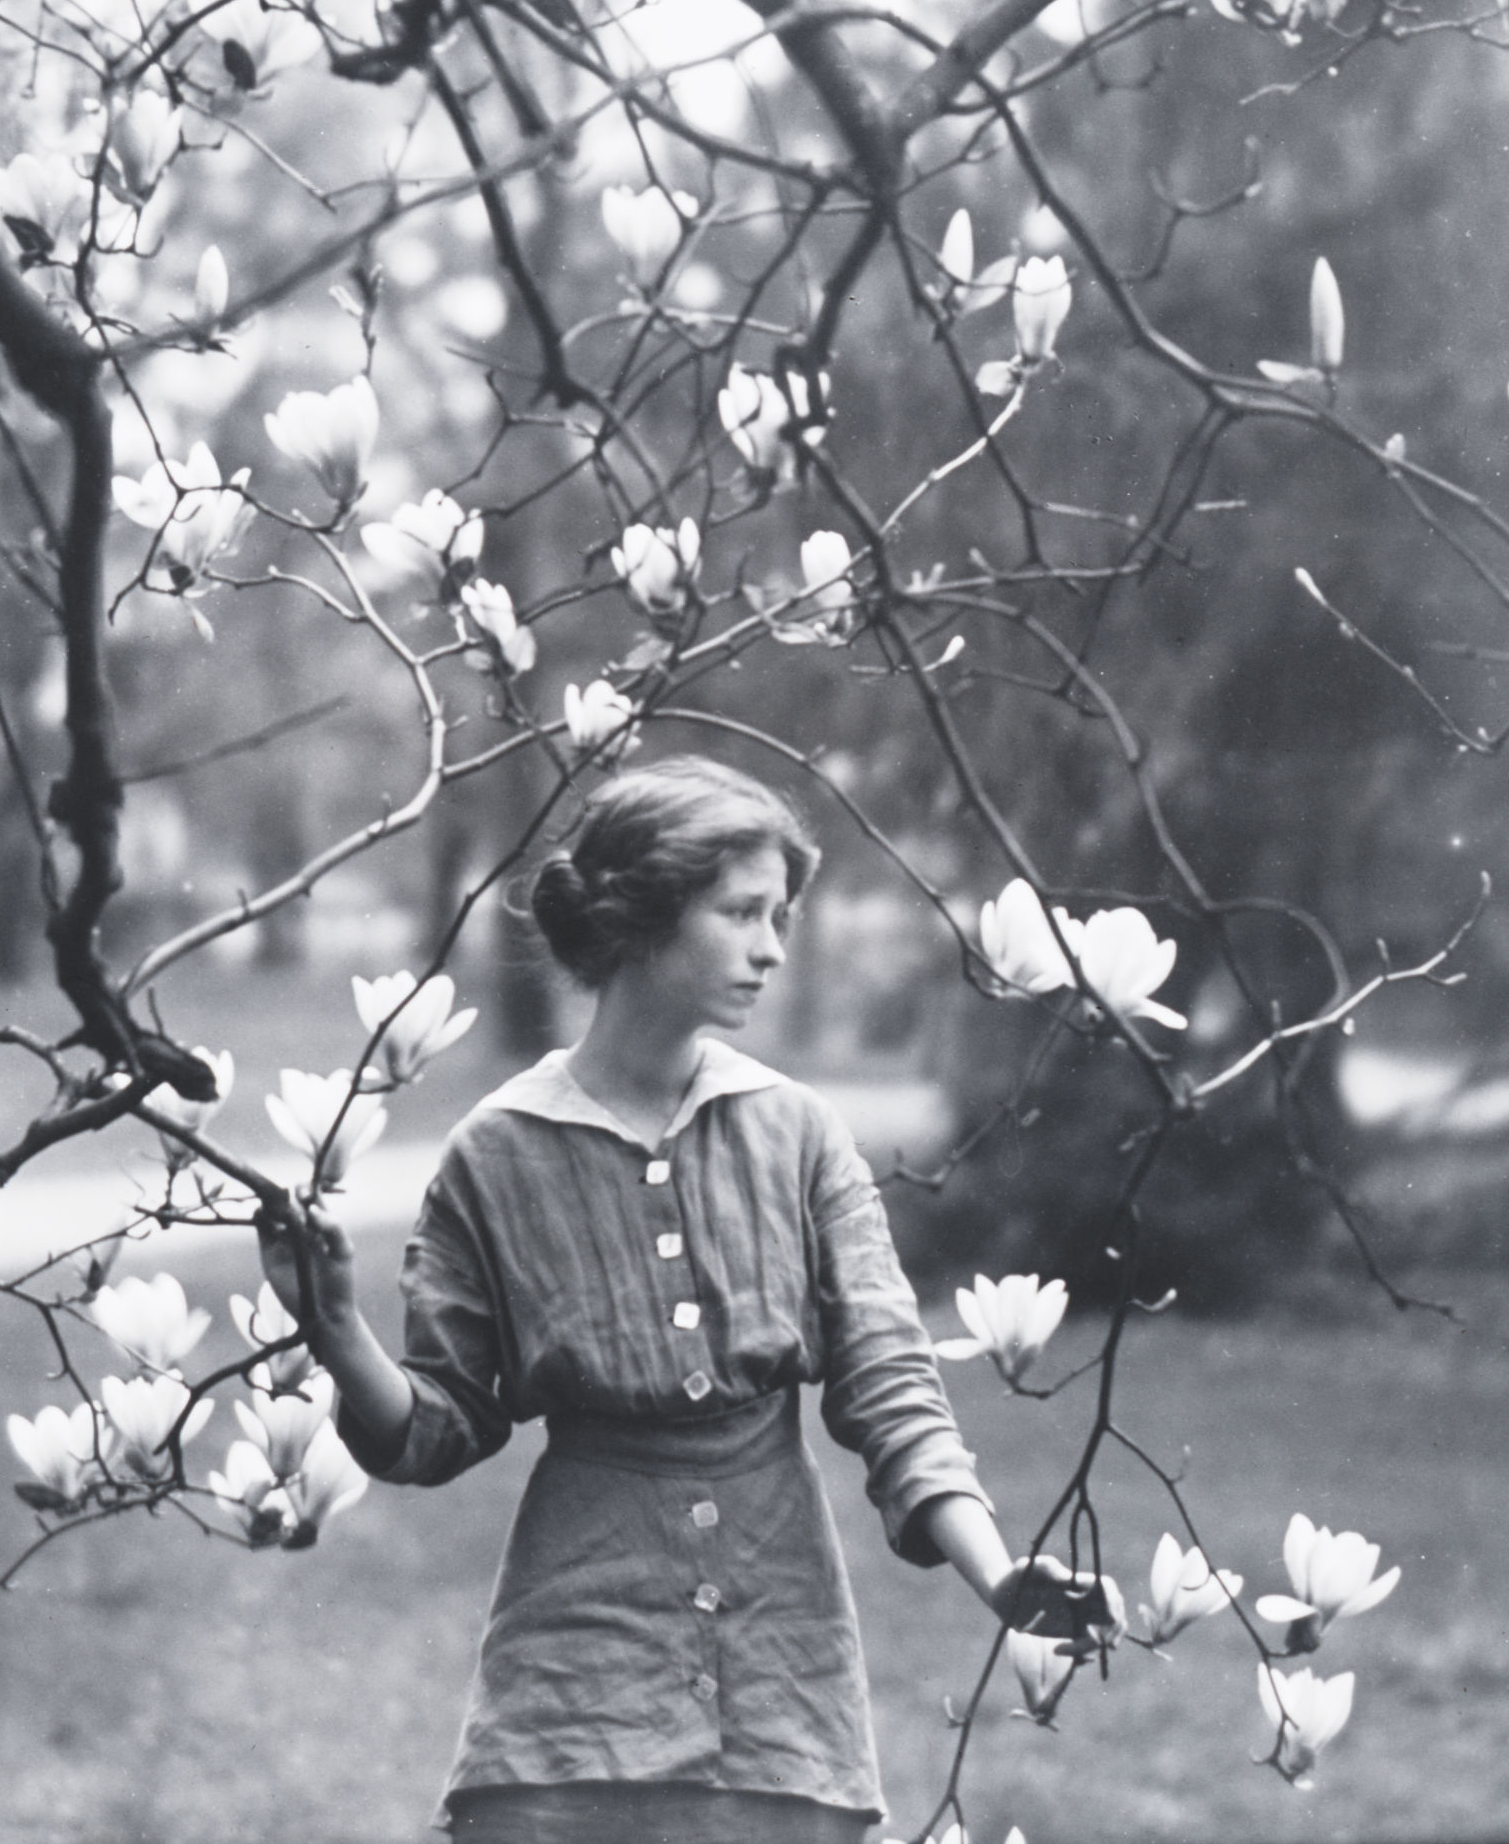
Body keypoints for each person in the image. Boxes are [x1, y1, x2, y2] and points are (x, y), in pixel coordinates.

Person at [259, 756, 1104, 1842]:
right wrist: (334, 1328)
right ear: (642, 914)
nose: (771, 947)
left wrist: (997, 1579)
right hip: (572, 1683)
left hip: (780, 1662)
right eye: (742, 912)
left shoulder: (797, 1135)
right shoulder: (496, 1153)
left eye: (779, 916)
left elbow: (893, 1388)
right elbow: (434, 1426)